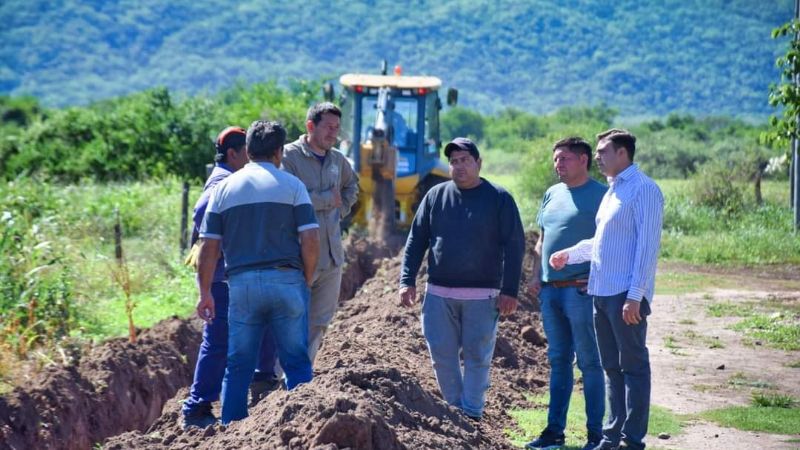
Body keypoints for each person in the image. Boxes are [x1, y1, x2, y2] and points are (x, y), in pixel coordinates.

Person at [196, 120, 320, 424]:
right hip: (287, 280)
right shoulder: (293, 186)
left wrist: (205, 293)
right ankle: (301, 430)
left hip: (242, 285)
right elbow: (310, 239)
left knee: (238, 366)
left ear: (248, 150)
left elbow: (208, 247)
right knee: (296, 363)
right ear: (279, 152)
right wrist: (306, 278)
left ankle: (231, 433)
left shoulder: (223, 189)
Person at [550, 129, 663, 450]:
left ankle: (632, 440)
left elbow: (647, 248)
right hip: (601, 293)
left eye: (603, 152)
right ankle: (611, 437)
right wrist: (569, 254)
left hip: (624, 296)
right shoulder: (613, 191)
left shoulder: (644, 190)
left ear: (623, 154)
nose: (597, 157)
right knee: (612, 368)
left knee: (635, 368)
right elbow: (601, 243)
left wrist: (635, 296)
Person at [399, 137, 525, 420]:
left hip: (483, 296)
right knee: (441, 357)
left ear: (479, 163)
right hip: (438, 295)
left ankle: (472, 413)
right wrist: (407, 280)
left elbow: (515, 245)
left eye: (465, 160)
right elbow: (416, 240)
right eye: (454, 162)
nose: (459, 167)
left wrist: (510, 290)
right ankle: (456, 413)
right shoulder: (435, 196)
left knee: (477, 357)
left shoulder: (499, 198)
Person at [181, 126, 280, 429]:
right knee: (218, 342)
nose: (250, 160)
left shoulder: (230, 179)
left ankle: (261, 380)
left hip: (237, 278)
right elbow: (202, 215)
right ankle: (196, 408)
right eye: (246, 154)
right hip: (224, 281)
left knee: (262, 329)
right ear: (234, 154)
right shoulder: (222, 183)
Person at [525, 137, 607, 450]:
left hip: (580, 292)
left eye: (565, 159)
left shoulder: (602, 195)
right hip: (551, 293)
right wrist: (537, 277)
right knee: (558, 360)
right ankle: (554, 433)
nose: (558, 165)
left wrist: (598, 279)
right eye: (556, 159)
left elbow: (611, 243)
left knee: (589, 363)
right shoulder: (551, 193)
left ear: (583, 159)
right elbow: (541, 241)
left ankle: (596, 436)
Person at [282, 102, 359, 364]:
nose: (333, 134)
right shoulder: (288, 158)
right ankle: (278, 376)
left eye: (337, 128)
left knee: (319, 322)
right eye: (328, 127)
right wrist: (328, 200)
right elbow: (288, 198)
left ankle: (302, 375)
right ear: (310, 126)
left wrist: (340, 209)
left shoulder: (338, 159)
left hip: (332, 254)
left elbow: (352, 187)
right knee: (291, 319)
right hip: (298, 255)